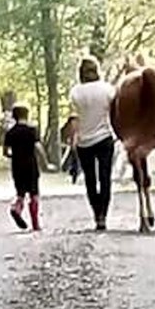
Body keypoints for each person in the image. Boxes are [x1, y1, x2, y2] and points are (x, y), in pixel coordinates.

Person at [69, 56, 116, 230]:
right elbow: (115, 113)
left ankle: (96, 213)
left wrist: (73, 140)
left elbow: (74, 119)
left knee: (90, 179)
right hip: (105, 138)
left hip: (84, 142)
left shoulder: (75, 92)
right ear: (96, 70)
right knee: (105, 177)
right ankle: (103, 214)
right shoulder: (108, 89)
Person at [2, 104, 46, 231]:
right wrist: (45, 161)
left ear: (14, 117)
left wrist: (14, 156)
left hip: (17, 166)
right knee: (34, 194)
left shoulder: (10, 132)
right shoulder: (32, 130)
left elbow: (5, 152)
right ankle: (35, 223)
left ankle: (16, 208)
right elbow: (38, 147)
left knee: (20, 193)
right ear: (27, 115)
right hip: (31, 165)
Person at [60, 115, 81, 184]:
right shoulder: (66, 129)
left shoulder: (79, 129)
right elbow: (65, 138)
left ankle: (76, 175)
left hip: (77, 147)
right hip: (71, 147)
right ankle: (72, 175)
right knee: (73, 161)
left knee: (76, 161)